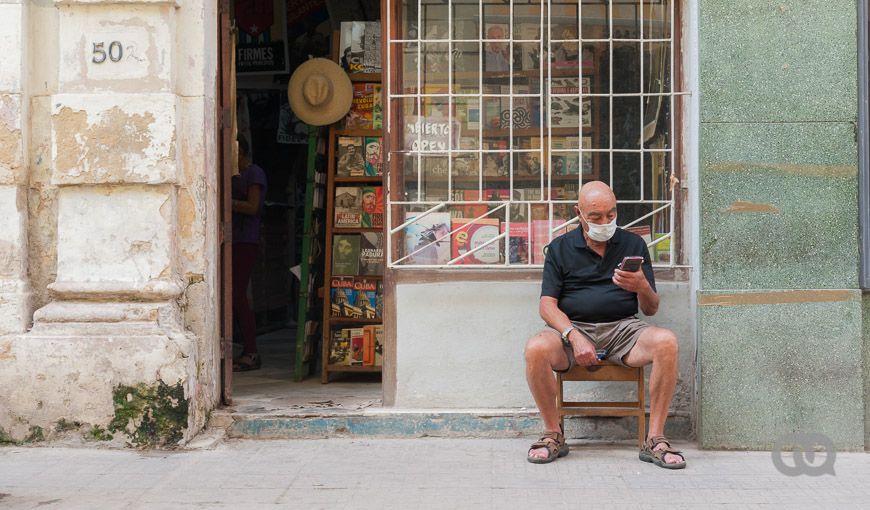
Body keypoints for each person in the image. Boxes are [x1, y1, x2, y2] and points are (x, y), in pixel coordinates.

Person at [524, 181, 686, 469]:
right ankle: (553, 434)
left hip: (623, 330)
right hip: (573, 329)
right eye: (596, 217)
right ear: (579, 213)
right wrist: (573, 335)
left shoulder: (633, 244)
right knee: (536, 348)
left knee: (666, 342)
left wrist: (641, 286)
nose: (605, 223)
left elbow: (650, 308)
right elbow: (546, 306)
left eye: (611, 215)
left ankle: (655, 439)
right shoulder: (560, 248)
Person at [231, 138, 267, 372]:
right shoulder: (233, 174)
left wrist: (226, 202)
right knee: (233, 295)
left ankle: (251, 350)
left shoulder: (253, 173)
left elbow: (253, 207)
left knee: (237, 294)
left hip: (245, 240)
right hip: (232, 239)